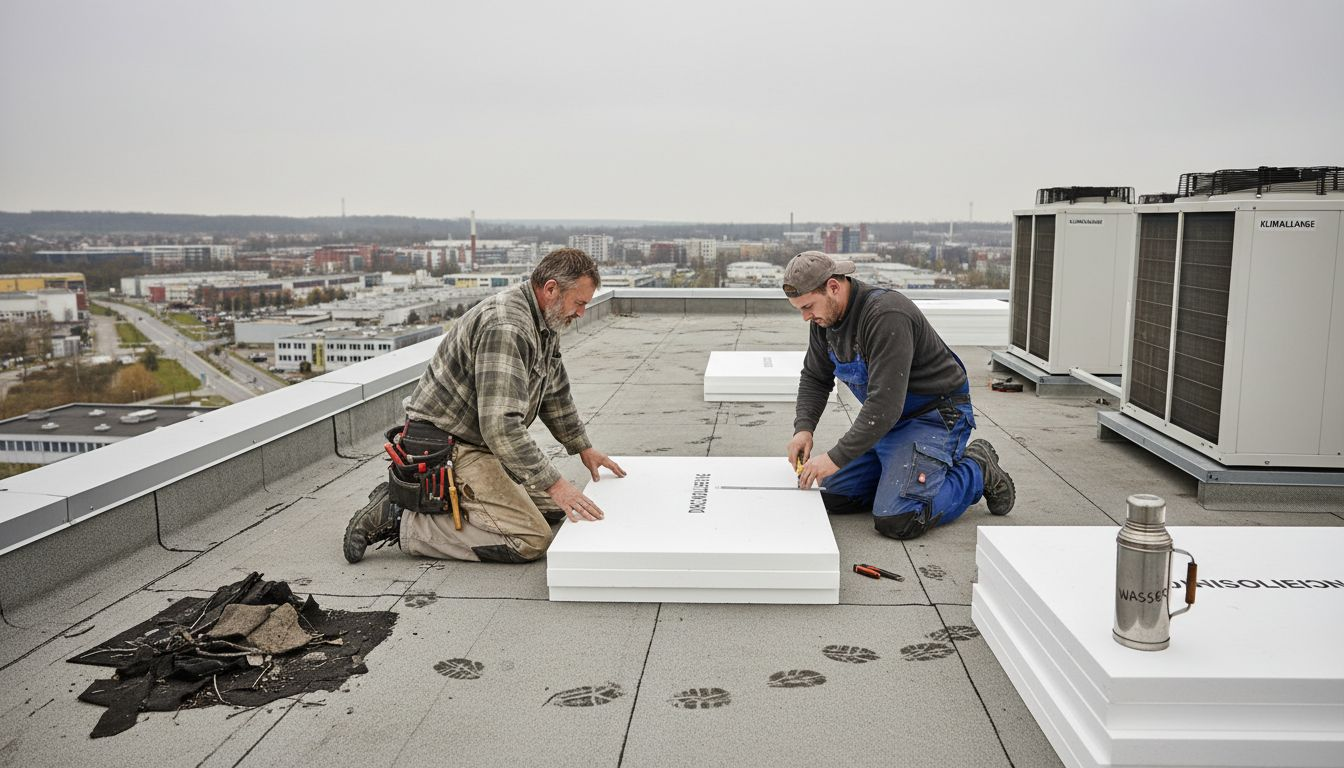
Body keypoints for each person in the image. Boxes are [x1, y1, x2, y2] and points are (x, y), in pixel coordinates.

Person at [343, 248, 626, 564]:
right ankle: (401, 517)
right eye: (580, 303)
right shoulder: (507, 327)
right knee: (531, 538)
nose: (582, 312)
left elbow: (554, 394)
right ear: (551, 289)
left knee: (552, 509)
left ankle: (463, 504)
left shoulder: (544, 320)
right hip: (448, 447)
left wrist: (583, 448)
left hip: (479, 442)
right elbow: (501, 426)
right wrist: (556, 484)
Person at [782, 251, 1014, 540]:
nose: (806, 317)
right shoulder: (825, 321)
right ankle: (899, 476)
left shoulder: (885, 315)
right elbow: (816, 377)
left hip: (935, 417)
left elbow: (884, 404)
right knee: (829, 494)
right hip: (890, 423)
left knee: (899, 518)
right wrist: (803, 429)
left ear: (833, 287)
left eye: (807, 307)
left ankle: (977, 468)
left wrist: (835, 457)